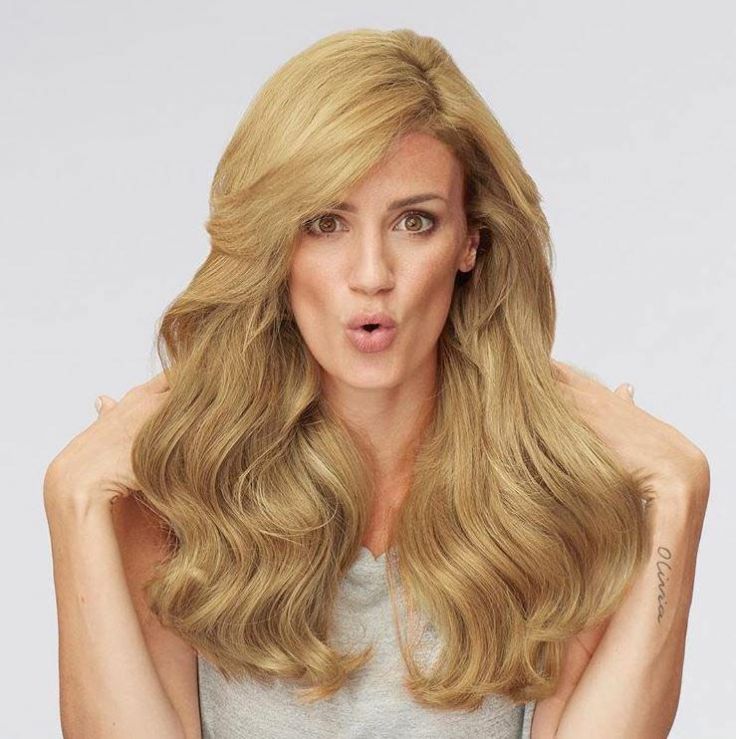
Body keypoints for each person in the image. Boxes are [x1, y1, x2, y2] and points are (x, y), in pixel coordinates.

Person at [44, 27, 710, 739]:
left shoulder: (553, 493)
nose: (371, 275)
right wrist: (72, 502)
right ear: (276, 245)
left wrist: (679, 496)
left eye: (414, 222)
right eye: (325, 222)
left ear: (470, 242)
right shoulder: (182, 492)